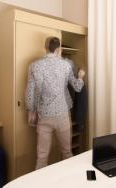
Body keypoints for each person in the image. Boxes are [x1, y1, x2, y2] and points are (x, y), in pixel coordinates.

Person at [25, 36, 85, 170]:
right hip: (63, 115)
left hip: (44, 116)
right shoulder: (66, 65)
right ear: (58, 49)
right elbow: (77, 87)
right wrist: (80, 76)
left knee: (41, 158)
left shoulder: (34, 66)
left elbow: (30, 92)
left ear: (45, 47)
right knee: (67, 153)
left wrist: (31, 111)